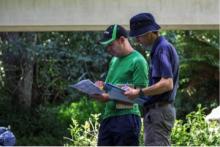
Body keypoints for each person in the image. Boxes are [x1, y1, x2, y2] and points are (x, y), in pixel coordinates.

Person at [124, 12, 179, 146]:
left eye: (139, 35)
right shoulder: (161, 49)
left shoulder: (162, 49)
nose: (137, 40)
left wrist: (139, 92)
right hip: (157, 111)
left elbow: (167, 84)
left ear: (149, 32)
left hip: (159, 112)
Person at [92, 24, 148, 146]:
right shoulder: (114, 60)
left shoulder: (138, 61)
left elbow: (141, 96)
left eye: (111, 44)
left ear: (122, 40)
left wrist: (108, 97)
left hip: (127, 119)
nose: (108, 49)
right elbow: (109, 87)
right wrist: (99, 87)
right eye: (107, 46)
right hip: (108, 117)